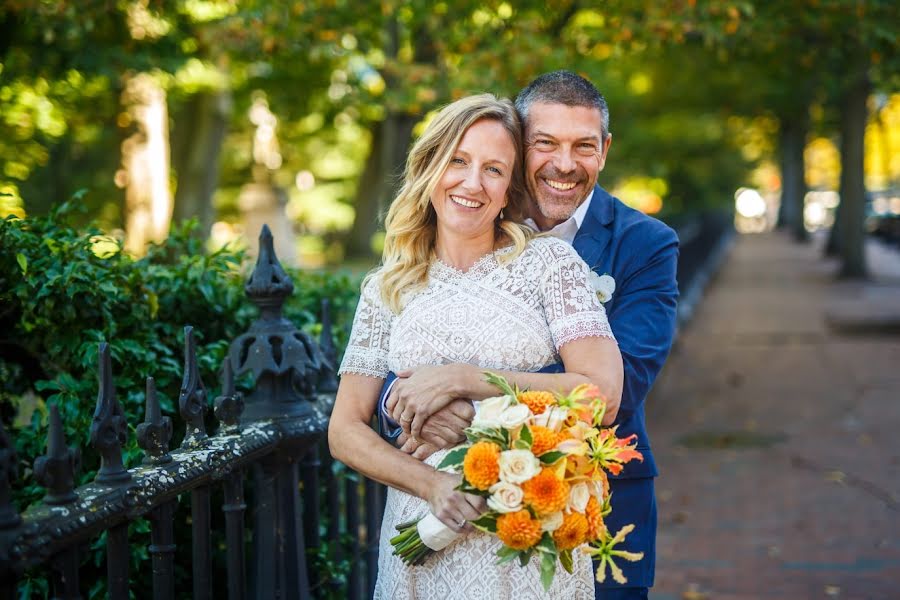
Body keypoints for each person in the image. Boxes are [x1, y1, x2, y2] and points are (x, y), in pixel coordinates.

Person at [382, 71, 680, 600]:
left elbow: (624, 384)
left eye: (583, 146)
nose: (565, 165)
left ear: (605, 151)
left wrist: (470, 400)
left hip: (593, 504)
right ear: (520, 146)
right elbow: (410, 331)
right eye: (545, 144)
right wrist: (399, 397)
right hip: (453, 510)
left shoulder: (646, 245)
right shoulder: (468, 213)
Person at [329, 93, 625, 598]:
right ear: (430, 168)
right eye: (458, 162)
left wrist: (469, 381)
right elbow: (344, 429)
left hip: (526, 535)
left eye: (493, 169)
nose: (471, 183)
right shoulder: (386, 287)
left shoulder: (550, 267)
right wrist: (432, 486)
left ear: (509, 189)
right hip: (422, 533)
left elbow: (602, 394)